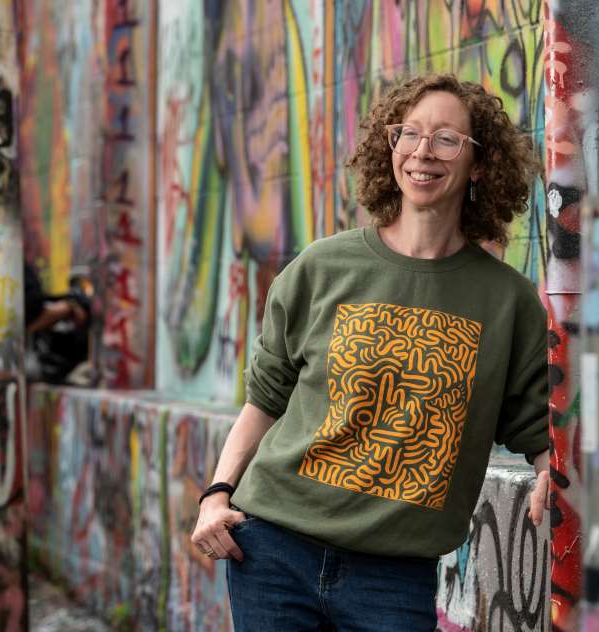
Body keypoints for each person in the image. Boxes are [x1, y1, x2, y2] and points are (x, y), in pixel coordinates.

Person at [191, 73, 550, 631]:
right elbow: (264, 399)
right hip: (273, 550)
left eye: (447, 139)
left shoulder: (507, 301)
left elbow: (533, 421)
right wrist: (216, 494)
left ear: (480, 165)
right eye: (409, 133)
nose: (423, 151)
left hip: (393, 575)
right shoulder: (323, 267)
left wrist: (553, 464)